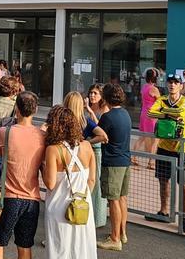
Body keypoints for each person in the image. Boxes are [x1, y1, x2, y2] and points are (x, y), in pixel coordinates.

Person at [0, 92, 46, 259]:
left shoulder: (4, 132)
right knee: (25, 245)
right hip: (32, 198)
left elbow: (1, 152)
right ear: (36, 110)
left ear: (16, 109)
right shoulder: (42, 137)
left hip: (8, 196)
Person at [41, 104, 97, 259]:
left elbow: (50, 183)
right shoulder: (86, 146)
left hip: (59, 207)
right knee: (82, 248)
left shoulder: (53, 149)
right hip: (83, 205)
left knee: (60, 249)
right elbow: (92, 179)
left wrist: (42, 167)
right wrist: (83, 198)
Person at [146, 73, 185, 233]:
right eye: (170, 82)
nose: (172, 85)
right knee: (163, 180)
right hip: (163, 147)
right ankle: (163, 211)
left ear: (181, 85)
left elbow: (180, 112)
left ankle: (184, 217)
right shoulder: (162, 99)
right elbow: (150, 113)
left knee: (184, 185)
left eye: (176, 82)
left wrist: (164, 113)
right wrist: (167, 114)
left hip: (180, 150)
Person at [63, 91, 108, 228]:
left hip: (64, 157)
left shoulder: (62, 120)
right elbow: (103, 136)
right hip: (81, 160)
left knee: (64, 191)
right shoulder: (85, 121)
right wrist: (87, 143)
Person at [97, 83, 131, 252]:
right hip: (125, 160)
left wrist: (86, 142)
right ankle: (122, 233)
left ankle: (115, 238)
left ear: (106, 98)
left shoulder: (107, 117)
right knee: (122, 198)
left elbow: (99, 135)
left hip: (112, 162)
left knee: (113, 200)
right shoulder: (126, 114)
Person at [136, 68, 161, 168]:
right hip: (152, 114)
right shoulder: (154, 89)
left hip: (144, 113)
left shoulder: (144, 87)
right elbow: (160, 102)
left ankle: (133, 157)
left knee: (142, 136)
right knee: (156, 139)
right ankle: (151, 162)